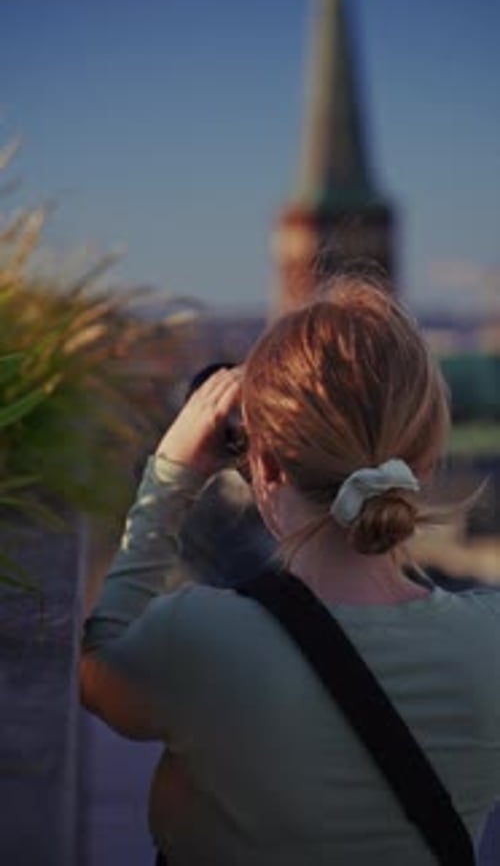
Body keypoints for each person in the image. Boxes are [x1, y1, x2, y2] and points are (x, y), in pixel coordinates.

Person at [80, 275, 500, 865]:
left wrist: (170, 479)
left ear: (266, 468)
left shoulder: (199, 638)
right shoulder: (490, 641)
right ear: (424, 465)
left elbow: (97, 673)